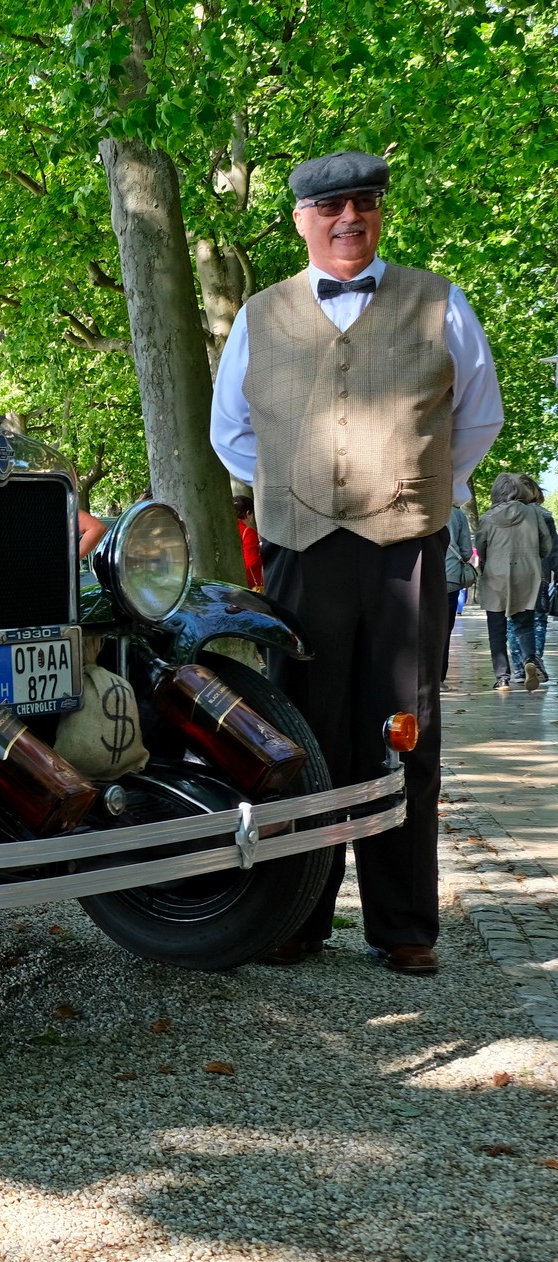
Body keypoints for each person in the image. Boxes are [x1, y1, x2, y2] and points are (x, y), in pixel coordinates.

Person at [209, 150, 504, 976]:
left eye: (364, 204)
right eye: (331, 208)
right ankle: (297, 915)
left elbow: (477, 417)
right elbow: (229, 431)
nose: (350, 219)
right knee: (300, 732)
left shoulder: (440, 303)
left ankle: (405, 924)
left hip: (404, 550)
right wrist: (293, 494)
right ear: (301, 221)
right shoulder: (262, 316)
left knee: (402, 727)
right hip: (300, 552)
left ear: (379, 214)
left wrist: (416, 481)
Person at [477, 474, 550, 692]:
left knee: (496, 628)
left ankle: (502, 678)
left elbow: (481, 549)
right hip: (527, 573)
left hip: (496, 575)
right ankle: (529, 659)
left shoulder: (487, 517)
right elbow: (545, 545)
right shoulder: (533, 513)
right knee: (524, 624)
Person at [514, 478, 556, 682]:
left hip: (511, 574)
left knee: (513, 620)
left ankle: (519, 668)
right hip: (539, 574)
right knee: (538, 619)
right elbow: (554, 549)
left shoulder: (502, 515)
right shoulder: (544, 516)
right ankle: (534, 661)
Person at [442, 502, 475, 683]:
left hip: (421, 576)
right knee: (444, 629)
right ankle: (439, 677)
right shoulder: (457, 514)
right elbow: (466, 551)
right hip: (450, 576)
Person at [232, 494, 264, 589]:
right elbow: (251, 561)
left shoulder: (229, 529)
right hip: (248, 583)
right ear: (248, 513)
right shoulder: (248, 532)